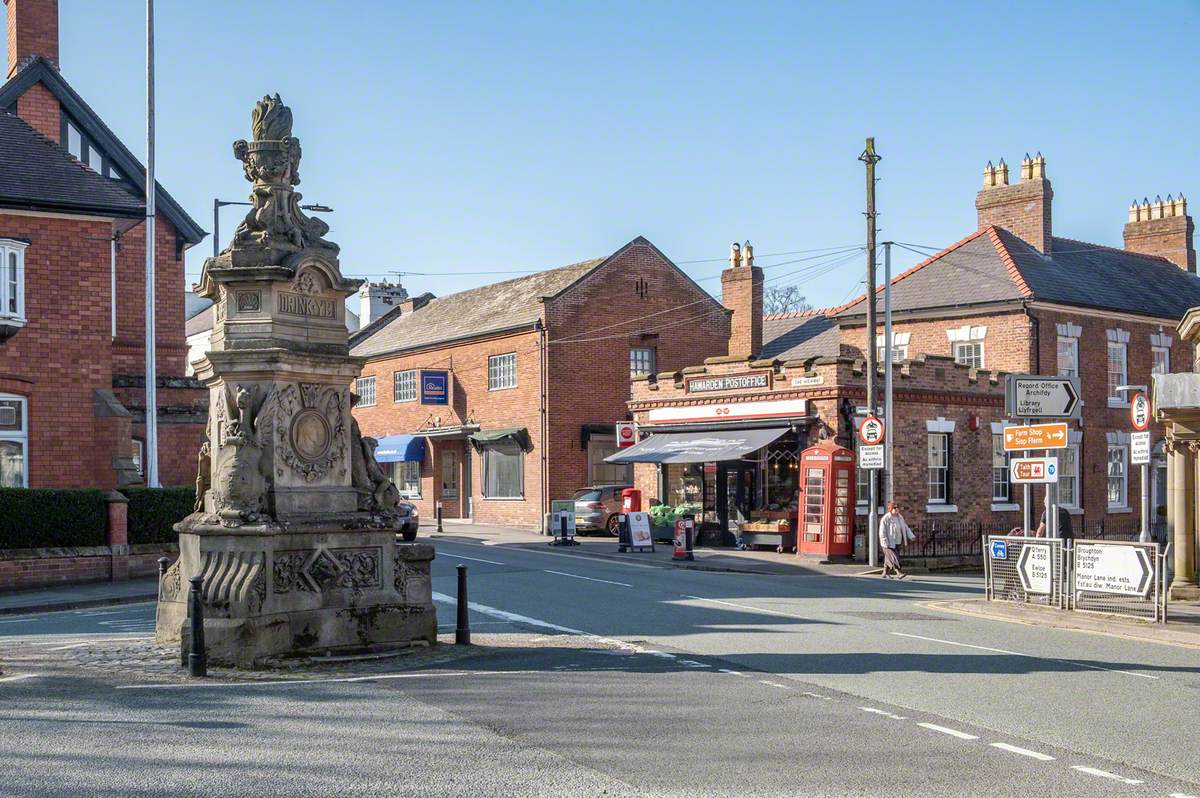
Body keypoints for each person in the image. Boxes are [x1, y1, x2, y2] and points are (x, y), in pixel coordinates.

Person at [879, 500, 915, 579]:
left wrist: (911, 536)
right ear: (890, 508)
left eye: (898, 507)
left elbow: (905, 528)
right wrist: (885, 542)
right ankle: (898, 573)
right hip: (888, 543)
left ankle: (885, 572)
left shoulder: (900, 517)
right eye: (895, 507)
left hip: (898, 542)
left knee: (889, 558)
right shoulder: (886, 518)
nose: (897, 509)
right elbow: (882, 532)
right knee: (894, 557)